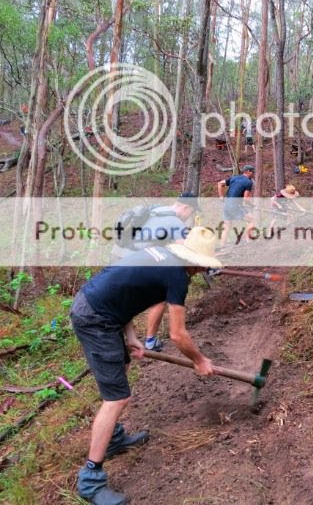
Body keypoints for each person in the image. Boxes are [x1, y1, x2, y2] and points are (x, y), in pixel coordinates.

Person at [70, 227, 221, 505]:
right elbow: (178, 334)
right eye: (204, 266)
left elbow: (123, 290)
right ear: (197, 262)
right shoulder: (177, 276)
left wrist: (131, 336)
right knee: (116, 398)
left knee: (121, 371)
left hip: (100, 308)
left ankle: (113, 439)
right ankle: (90, 480)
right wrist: (199, 360)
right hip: (95, 318)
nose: (203, 271)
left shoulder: (161, 255)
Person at [112, 192, 200, 352]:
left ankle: (120, 339)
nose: (190, 216)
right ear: (186, 208)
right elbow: (186, 252)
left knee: (121, 299)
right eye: (192, 213)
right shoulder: (176, 221)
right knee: (161, 295)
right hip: (133, 263)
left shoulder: (156, 210)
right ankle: (150, 341)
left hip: (117, 257)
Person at [218, 165, 255, 247]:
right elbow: (246, 199)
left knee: (226, 227)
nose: (253, 174)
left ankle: (222, 246)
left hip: (226, 205)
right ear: (248, 171)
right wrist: (252, 205)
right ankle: (249, 242)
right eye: (253, 172)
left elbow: (220, 183)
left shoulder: (234, 178)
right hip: (235, 206)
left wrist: (221, 196)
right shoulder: (248, 182)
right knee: (252, 220)